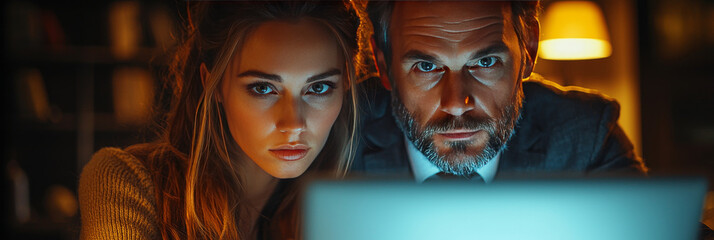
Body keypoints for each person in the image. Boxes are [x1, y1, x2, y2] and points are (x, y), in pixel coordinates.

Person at [79, 1, 360, 239]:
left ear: (346, 84)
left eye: (318, 88)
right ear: (213, 84)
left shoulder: (356, 205)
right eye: (262, 88)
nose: (294, 124)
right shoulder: (129, 183)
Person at [352, 1, 647, 183]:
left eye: (485, 62)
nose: (456, 104)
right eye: (426, 67)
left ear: (529, 50)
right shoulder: (341, 134)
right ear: (384, 65)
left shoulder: (584, 136)